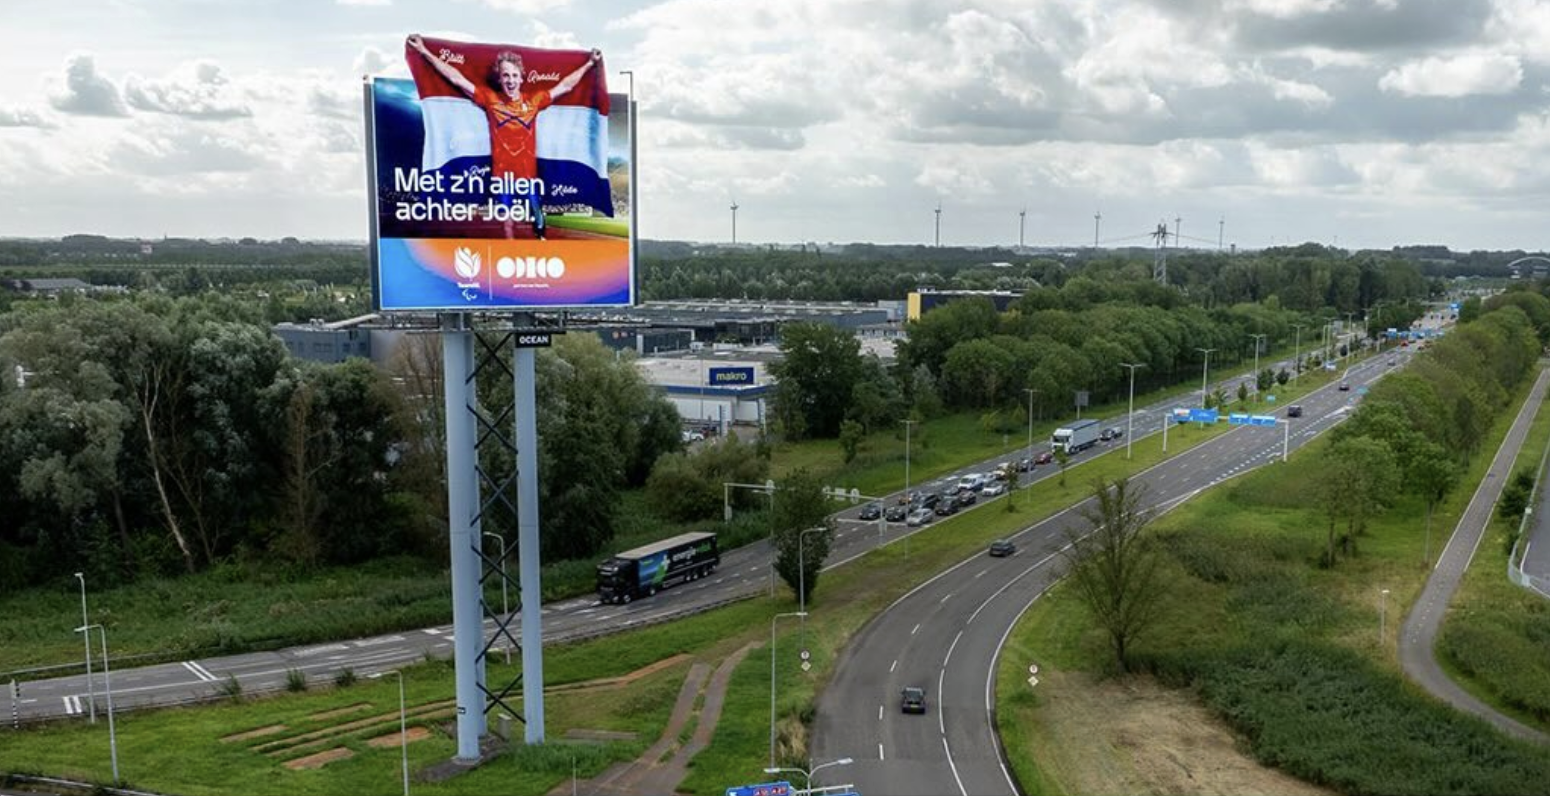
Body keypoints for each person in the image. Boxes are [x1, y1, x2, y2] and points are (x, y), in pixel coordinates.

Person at [407, 35, 601, 239]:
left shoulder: (534, 101)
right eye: (505, 75)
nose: (510, 80)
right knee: (507, 224)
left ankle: (541, 242)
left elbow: (565, 86)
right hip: (502, 178)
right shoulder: (490, 99)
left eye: (514, 75)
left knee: (538, 222)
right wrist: (424, 51)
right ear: (500, 78)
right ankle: (509, 248)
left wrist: (590, 63)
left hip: (528, 178)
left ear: (521, 78)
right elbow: (457, 79)